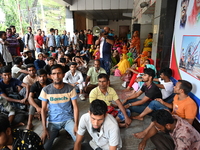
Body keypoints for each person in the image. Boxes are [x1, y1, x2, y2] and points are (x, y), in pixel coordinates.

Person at [137, 80, 198, 149]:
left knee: (160, 123)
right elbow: (174, 107)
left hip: (178, 124)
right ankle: (146, 132)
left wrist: (170, 118)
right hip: (173, 118)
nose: (174, 87)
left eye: (176, 86)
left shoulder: (190, 104)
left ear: (181, 90)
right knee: (156, 126)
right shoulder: (176, 96)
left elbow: (189, 122)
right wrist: (162, 102)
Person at [39, 64, 79, 150]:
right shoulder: (46, 90)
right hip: (52, 122)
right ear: (50, 76)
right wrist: (44, 128)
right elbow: (43, 110)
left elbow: (75, 107)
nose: (56, 76)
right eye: (54, 73)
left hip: (68, 120)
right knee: (44, 147)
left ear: (64, 74)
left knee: (80, 140)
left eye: (59, 73)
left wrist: (76, 124)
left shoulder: (70, 89)